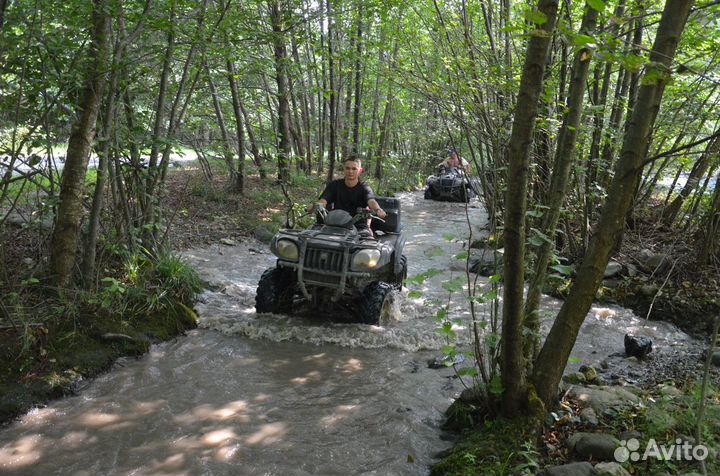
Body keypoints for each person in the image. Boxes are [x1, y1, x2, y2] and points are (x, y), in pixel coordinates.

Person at [307, 158, 386, 238]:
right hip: (335, 225)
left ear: (360, 170)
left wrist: (378, 210)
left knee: (369, 246)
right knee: (309, 240)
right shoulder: (335, 185)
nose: (350, 171)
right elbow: (324, 200)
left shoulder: (364, 187)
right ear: (343, 169)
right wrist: (317, 205)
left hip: (359, 227)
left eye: (354, 169)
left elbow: (371, 200)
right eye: (347, 168)